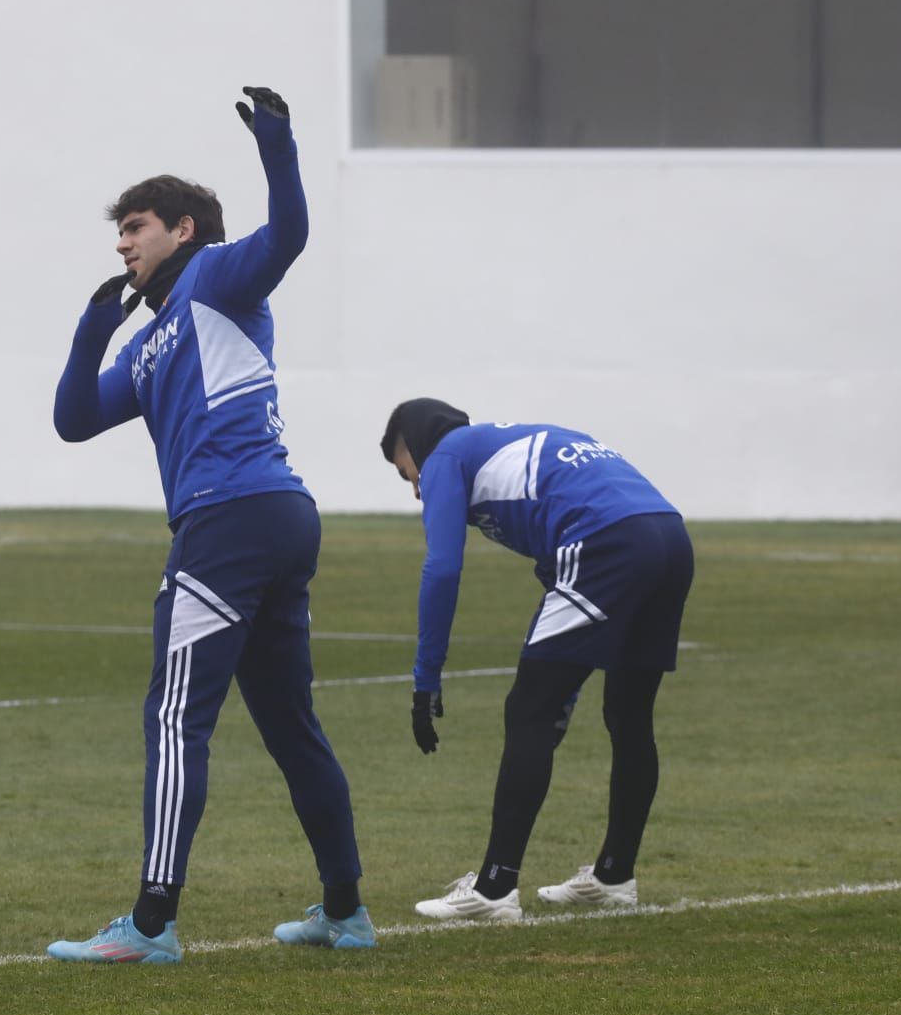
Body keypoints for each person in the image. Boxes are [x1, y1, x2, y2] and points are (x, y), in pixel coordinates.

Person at [46, 87, 369, 963]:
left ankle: (151, 926)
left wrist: (278, 145)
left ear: (184, 230)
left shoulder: (219, 276)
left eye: (138, 226)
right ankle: (345, 911)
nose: (123, 243)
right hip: (273, 516)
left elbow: (292, 234)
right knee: (289, 724)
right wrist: (89, 332)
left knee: (175, 718)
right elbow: (73, 420)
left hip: (229, 521)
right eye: (120, 232)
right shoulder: (149, 347)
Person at [380, 398, 692, 922]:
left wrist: (425, 677)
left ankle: (494, 888)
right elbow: (554, 555)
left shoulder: (446, 457)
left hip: (607, 543)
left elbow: (442, 570)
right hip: (669, 538)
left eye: (404, 470)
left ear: (413, 442)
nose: (416, 488)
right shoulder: (507, 441)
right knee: (628, 714)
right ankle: (615, 877)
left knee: (527, 711)